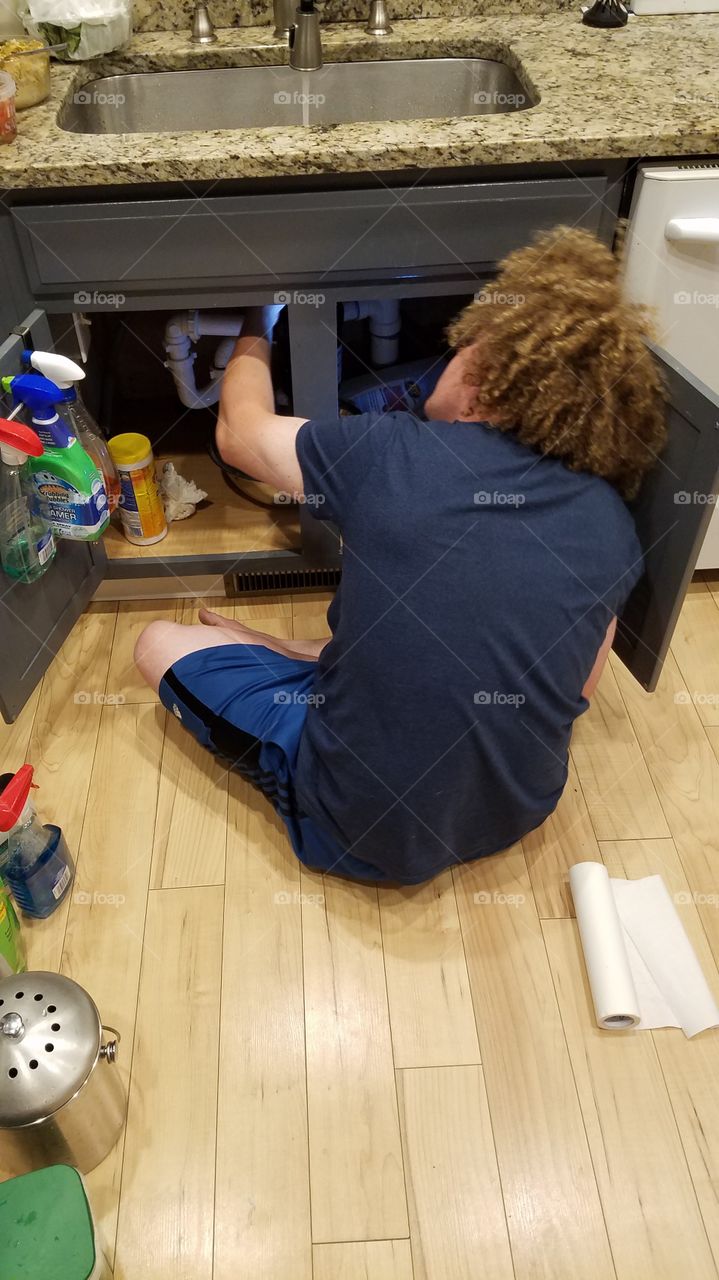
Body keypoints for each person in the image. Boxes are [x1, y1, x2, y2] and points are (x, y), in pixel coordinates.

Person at [135, 226, 666, 885]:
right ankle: (285, 660)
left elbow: (240, 436)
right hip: (519, 809)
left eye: (459, 347)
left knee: (157, 643)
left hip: (361, 829)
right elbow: (574, 687)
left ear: (482, 377)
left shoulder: (390, 453)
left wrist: (254, 321)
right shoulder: (612, 525)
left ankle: (303, 780)